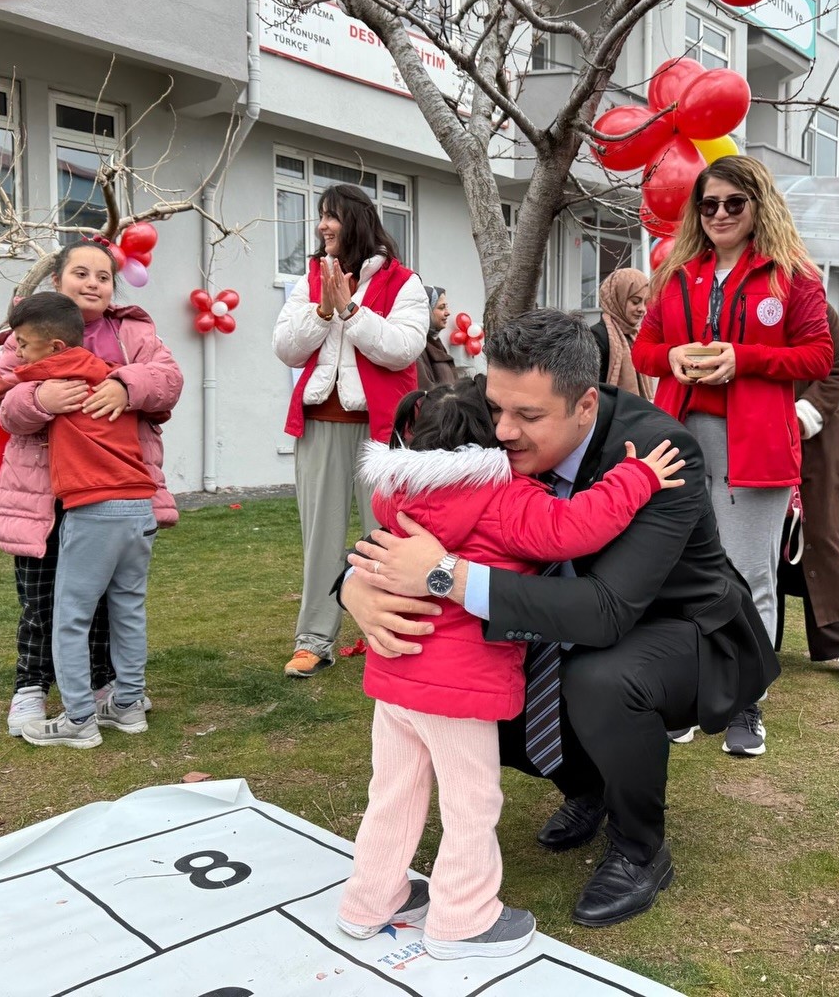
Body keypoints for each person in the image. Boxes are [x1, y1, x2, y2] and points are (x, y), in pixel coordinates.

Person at [341, 310, 777, 929]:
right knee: (475, 674)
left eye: (529, 417)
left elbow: (604, 611)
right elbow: (414, 511)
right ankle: (588, 788)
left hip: (680, 628)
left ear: (585, 404)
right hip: (549, 617)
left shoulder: (657, 451)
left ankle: (638, 850)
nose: (504, 431)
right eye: (497, 408)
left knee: (598, 678)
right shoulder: (493, 418)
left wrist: (447, 577)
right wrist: (355, 586)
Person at [338, 378, 683, 958]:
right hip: (458, 686)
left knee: (393, 793)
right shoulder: (502, 499)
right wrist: (638, 477)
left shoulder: (394, 497)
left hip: (396, 681)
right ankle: (463, 918)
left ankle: (369, 901)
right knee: (471, 803)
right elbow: (577, 526)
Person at [632, 155, 832, 756]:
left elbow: (818, 356)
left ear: (758, 204)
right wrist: (669, 358)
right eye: (708, 204)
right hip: (681, 439)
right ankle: (689, 692)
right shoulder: (674, 271)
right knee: (677, 571)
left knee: (749, 574)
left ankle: (746, 700)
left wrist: (743, 359)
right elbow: (645, 346)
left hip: (757, 443)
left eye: (732, 204)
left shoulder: (792, 274)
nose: (718, 214)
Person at [0, 241, 182, 737]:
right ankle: (31, 689)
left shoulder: (133, 330)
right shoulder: (25, 332)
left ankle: (102, 689)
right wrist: (39, 397)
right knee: (42, 598)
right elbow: (4, 405)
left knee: (108, 604)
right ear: (57, 280)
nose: (93, 283)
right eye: (81, 272)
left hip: (113, 490)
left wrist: (127, 384)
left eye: (103, 276)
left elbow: (169, 380)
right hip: (42, 493)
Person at [273, 183, 429, 679]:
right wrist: (323, 311)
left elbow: (402, 348)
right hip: (321, 426)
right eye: (320, 216)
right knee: (321, 537)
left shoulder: (406, 283)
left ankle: (389, 632)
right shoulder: (311, 281)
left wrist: (351, 312)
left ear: (357, 220)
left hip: (382, 432)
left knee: (382, 537)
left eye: (330, 215)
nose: (321, 225)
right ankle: (314, 640)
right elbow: (286, 348)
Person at [775, 305, 839, 677]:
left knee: (822, 529)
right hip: (754, 430)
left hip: (819, 434)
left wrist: (805, 415)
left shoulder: (810, 299)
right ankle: (761, 638)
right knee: (760, 537)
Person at [590, 267, 654, 401]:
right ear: (617, 298)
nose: (642, 309)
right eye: (635, 301)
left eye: (645, 302)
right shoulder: (596, 337)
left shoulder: (635, 336)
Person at [414, 285, 459, 390]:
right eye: (441, 307)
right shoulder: (417, 349)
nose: (448, 313)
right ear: (426, 311)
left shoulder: (436, 344)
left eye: (446, 307)